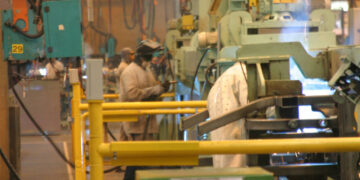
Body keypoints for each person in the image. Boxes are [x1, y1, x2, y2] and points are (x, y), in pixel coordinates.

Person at [119, 40, 170, 179]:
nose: (152, 58)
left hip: (147, 121)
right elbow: (132, 94)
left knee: (143, 161)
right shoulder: (129, 72)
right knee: (137, 161)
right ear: (142, 56)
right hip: (136, 123)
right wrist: (155, 89)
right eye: (150, 55)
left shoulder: (146, 70)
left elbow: (153, 89)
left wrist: (162, 88)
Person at [207, 62, 248, 168]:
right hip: (234, 137)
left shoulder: (221, 79)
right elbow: (249, 105)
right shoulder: (243, 73)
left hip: (221, 143)